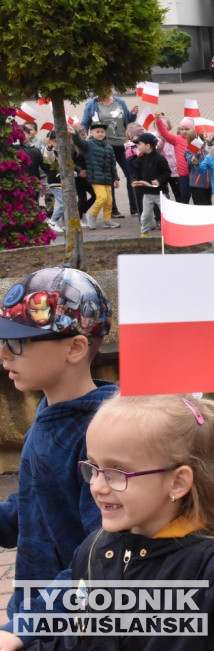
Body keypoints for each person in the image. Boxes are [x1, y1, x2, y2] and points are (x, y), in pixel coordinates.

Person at [0, 395, 214, 650]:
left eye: (116, 473)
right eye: (93, 467)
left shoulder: (210, 566)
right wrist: (24, 637)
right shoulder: (95, 548)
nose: (97, 486)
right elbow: (84, 635)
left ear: (177, 483)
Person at [0, 268, 116, 633]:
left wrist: (28, 626)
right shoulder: (50, 414)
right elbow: (39, 503)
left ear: (75, 348)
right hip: (39, 612)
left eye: (19, 342)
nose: (4, 353)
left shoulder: (104, 434)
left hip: (72, 626)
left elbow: (105, 555)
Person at [83, 89, 138, 216]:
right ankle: (113, 210)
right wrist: (85, 136)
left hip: (122, 144)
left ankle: (134, 208)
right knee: (109, 176)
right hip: (104, 146)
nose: (106, 91)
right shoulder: (92, 104)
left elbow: (128, 120)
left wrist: (133, 114)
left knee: (131, 173)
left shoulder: (120, 102)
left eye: (108, 88)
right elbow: (85, 123)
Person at [71, 121, 120, 229]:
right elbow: (79, 142)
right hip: (95, 178)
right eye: (97, 131)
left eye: (102, 132)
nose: (100, 133)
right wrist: (74, 134)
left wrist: (116, 178)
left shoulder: (109, 147)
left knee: (109, 200)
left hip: (107, 178)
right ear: (91, 133)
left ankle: (107, 220)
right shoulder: (89, 144)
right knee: (101, 197)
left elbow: (112, 164)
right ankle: (92, 215)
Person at [130, 132, 171, 238]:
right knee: (145, 215)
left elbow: (167, 173)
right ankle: (144, 232)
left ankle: (169, 233)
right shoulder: (140, 159)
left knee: (165, 214)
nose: (138, 146)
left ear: (147, 146)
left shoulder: (160, 158)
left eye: (139, 144)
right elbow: (135, 173)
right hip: (147, 193)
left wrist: (159, 180)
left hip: (160, 192)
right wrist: (135, 180)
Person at [41, 132, 66, 234]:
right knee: (64, 203)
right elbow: (49, 156)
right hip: (55, 182)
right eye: (56, 141)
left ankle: (66, 224)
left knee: (69, 202)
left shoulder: (63, 152)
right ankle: (52, 220)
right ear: (50, 141)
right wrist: (49, 147)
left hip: (64, 181)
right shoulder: (50, 151)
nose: (58, 143)